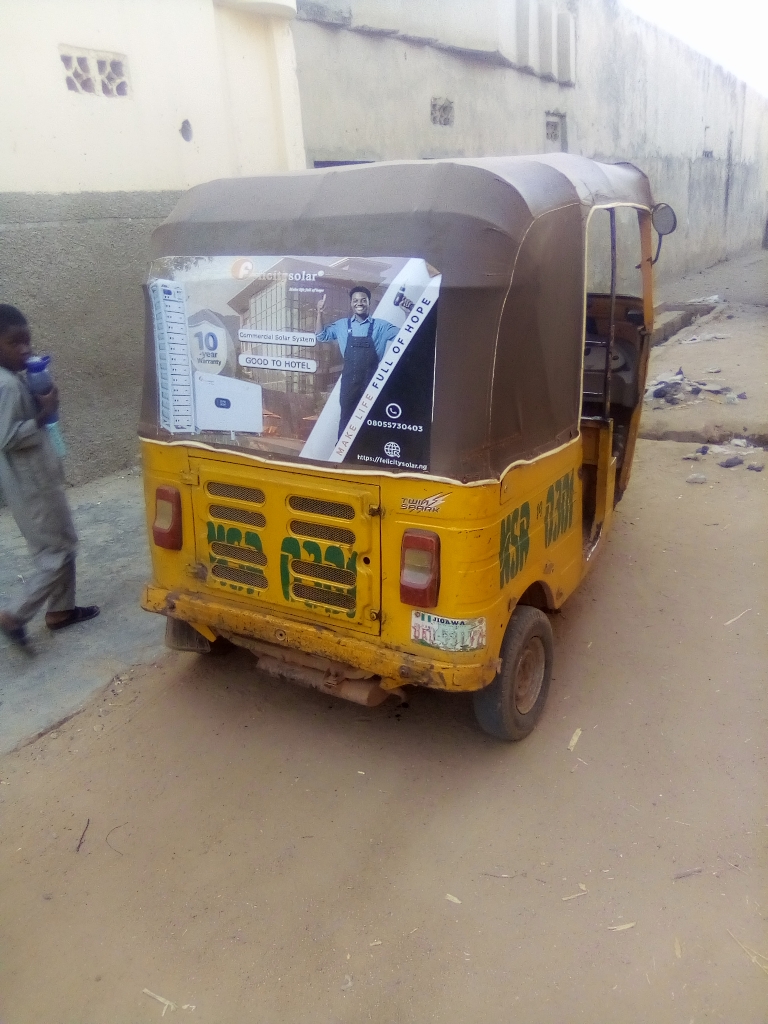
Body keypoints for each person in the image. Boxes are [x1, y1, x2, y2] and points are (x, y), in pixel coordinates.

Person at [0, 305, 98, 648]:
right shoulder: (7, 385)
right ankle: (15, 614)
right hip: (33, 487)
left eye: (27, 341)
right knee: (56, 552)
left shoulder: (13, 379)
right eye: (15, 342)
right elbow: (6, 438)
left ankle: (61, 610)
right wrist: (43, 414)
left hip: (36, 481)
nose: (25, 349)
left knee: (62, 541)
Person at [316, 286, 399, 438]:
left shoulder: (381, 326)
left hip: (372, 383)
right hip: (349, 385)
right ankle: (342, 450)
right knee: (346, 420)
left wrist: (409, 310)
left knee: (372, 421)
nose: (359, 303)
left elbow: (407, 336)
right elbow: (321, 336)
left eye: (363, 300)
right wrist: (319, 313)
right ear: (351, 304)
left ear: (369, 303)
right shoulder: (342, 325)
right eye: (355, 300)